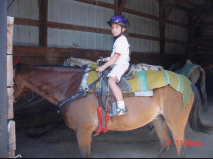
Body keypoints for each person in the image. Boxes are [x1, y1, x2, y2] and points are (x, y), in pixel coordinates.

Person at [96, 15, 130, 116]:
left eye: (116, 27)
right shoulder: (118, 40)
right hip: (117, 63)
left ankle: (121, 107)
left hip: (121, 64)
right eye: (112, 27)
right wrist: (104, 59)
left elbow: (115, 58)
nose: (113, 30)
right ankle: (112, 105)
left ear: (123, 29)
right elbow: (112, 56)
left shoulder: (121, 41)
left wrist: (103, 66)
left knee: (111, 80)